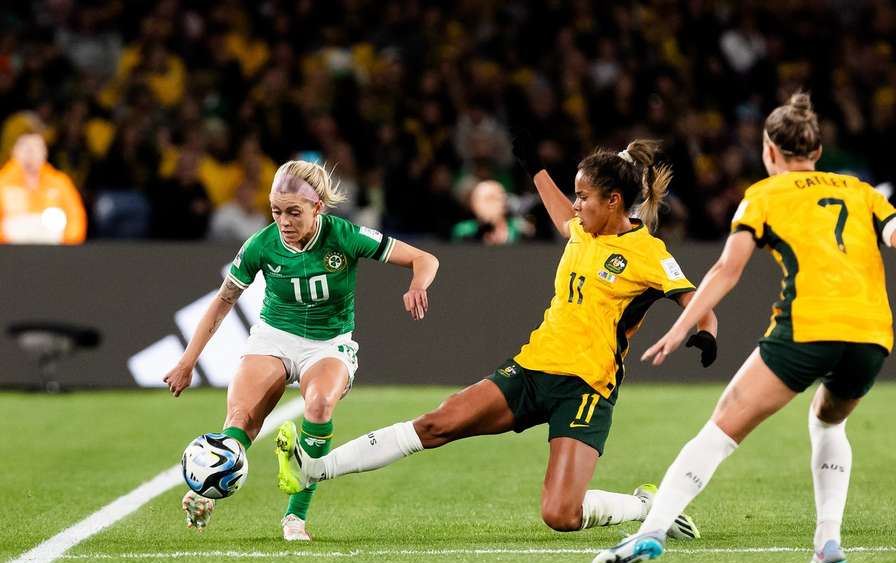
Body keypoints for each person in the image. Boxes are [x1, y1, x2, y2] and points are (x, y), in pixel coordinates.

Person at [274, 138, 719, 539]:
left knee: (561, 514)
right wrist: (534, 167)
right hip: (530, 371)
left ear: (614, 201)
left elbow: (699, 304)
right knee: (437, 423)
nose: (576, 205)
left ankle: (646, 505)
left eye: (583, 197)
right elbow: (560, 211)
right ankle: (314, 469)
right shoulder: (583, 230)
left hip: (584, 389)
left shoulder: (648, 254)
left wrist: (703, 334)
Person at [590, 93, 896, 563]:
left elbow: (728, 269)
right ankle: (828, 542)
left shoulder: (764, 195)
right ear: (816, 151)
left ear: (770, 151)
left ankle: (651, 530)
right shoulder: (861, 191)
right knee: (829, 421)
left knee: (720, 428)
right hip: (872, 333)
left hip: (807, 326)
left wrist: (681, 326)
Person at [164, 160, 440, 541]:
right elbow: (223, 301)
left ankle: (295, 518)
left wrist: (417, 285)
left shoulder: (345, 236)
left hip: (328, 343)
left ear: (317, 208)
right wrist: (187, 360)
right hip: (274, 337)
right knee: (241, 421)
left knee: (319, 405)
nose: (284, 222)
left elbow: (425, 258)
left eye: (294, 212)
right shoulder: (261, 244)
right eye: (276, 211)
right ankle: (205, 490)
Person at [0, 132, 87, 244]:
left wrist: (68, 241)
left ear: (45, 152)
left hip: (52, 249)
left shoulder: (59, 182)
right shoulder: (2, 182)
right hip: (10, 250)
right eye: (25, 147)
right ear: (14, 151)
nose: (30, 153)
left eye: (36, 147)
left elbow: (75, 216)